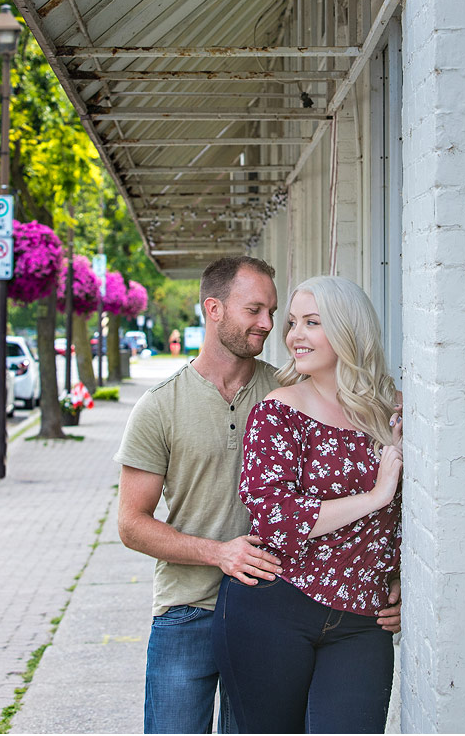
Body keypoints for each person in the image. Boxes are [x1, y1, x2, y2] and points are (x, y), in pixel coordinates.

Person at [115, 256, 402, 735]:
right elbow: (130, 523)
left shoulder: (287, 385)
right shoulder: (160, 405)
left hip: (269, 598)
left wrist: (388, 573)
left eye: (276, 313)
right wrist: (219, 553)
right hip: (189, 605)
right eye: (256, 310)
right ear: (214, 309)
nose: (270, 325)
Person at [212, 275, 403, 735]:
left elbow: (422, 516)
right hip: (275, 608)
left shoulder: (393, 412)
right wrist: (375, 496)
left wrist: (402, 577)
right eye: (293, 322)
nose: (294, 334)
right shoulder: (277, 411)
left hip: (363, 619)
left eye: (311, 322)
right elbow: (276, 517)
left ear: (348, 329)